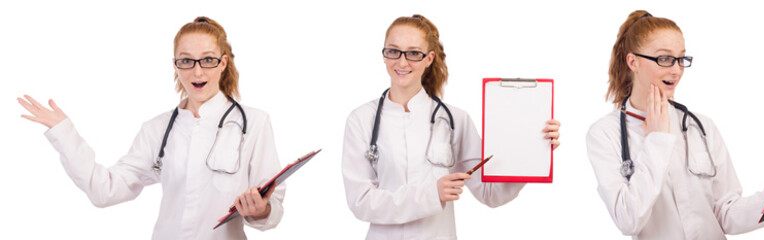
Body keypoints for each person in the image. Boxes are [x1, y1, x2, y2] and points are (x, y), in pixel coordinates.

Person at [17, 17, 284, 239]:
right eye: (186, 61)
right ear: (175, 65)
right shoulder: (156, 130)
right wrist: (63, 132)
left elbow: (273, 208)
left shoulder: (254, 123)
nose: (197, 72)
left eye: (208, 60)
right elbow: (105, 190)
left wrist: (260, 210)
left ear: (223, 63)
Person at [585, 10, 764, 239]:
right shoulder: (605, 134)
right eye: (664, 58)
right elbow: (628, 219)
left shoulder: (700, 126)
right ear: (633, 62)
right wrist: (657, 140)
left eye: (681, 59)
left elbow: (725, 212)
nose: (676, 70)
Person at [340, 14, 562, 239]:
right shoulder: (361, 120)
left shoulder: (455, 120)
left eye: (414, 53)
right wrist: (430, 194)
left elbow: (490, 194)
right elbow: (361, 202)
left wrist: (533, 151)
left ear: (429, 58)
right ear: (384, 54)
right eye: (393, 51)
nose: (402, 61)